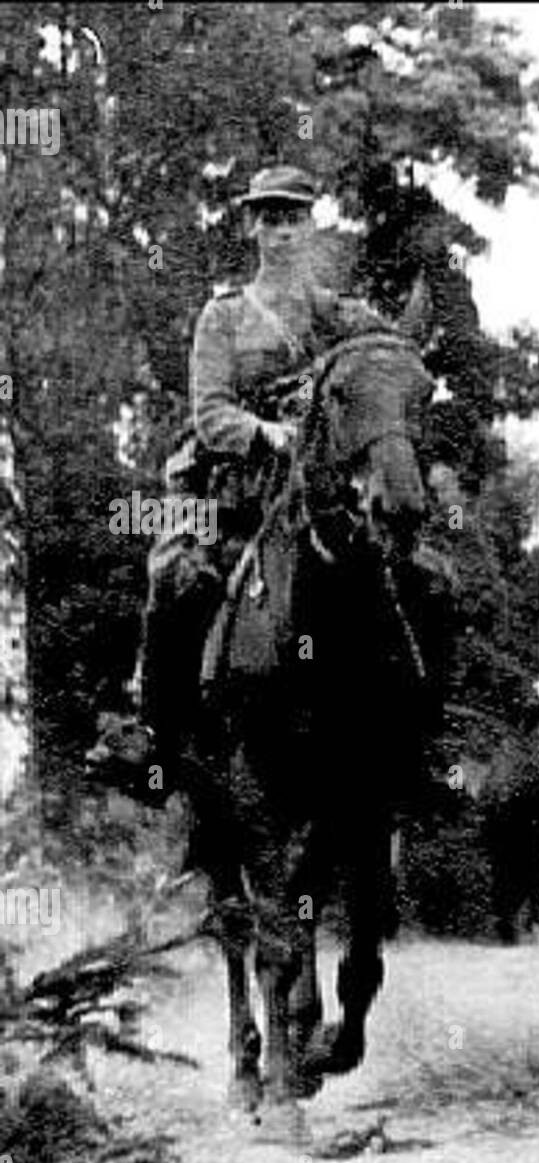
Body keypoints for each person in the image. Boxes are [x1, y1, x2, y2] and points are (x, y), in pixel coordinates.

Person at [88, 165, 429, 797]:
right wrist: (266, 433)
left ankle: (424, 733)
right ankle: (154, 738)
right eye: (270, 218)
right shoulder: (224, 318)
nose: (282, 231)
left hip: (319, 490)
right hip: (230, 488)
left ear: (311, 226)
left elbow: (386, 364)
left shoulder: (341, 315)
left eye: (294, 217)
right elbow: (210, 412)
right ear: (254, 227)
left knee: (419, 570)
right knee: (176, 576)